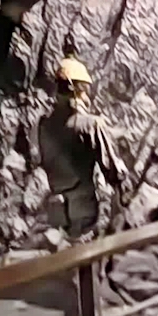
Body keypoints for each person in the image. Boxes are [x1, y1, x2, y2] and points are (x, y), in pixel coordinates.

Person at [37, 46, 120, 240]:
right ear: (78, 90)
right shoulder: (91, 125)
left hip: (57, 212)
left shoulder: (44, 125)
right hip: (83, 210)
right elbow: (114, 172)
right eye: (85, 89)